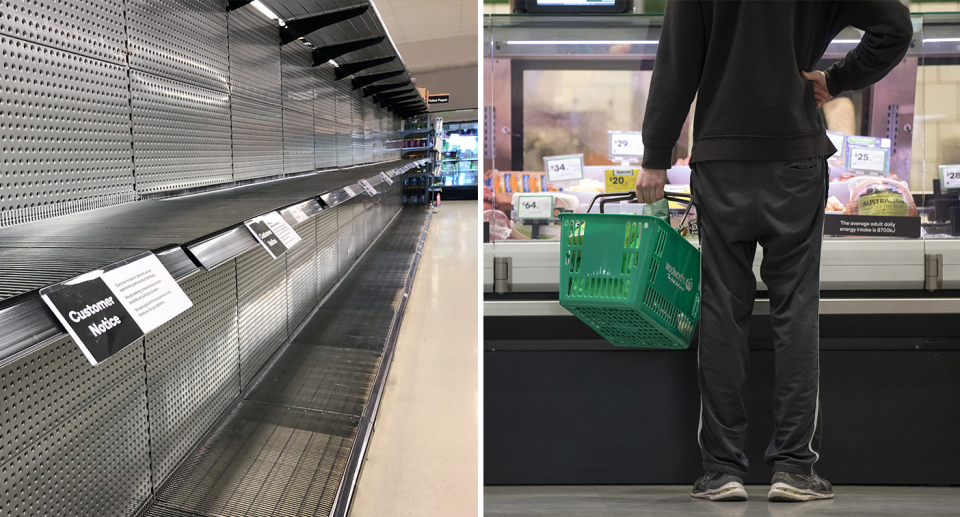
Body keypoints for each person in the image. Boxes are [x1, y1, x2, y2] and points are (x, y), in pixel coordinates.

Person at [635, 0, 913, 503]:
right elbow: (894, 28)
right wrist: (838, 78)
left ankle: (722, 470)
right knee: (796, 312)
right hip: (797, 162)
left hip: (722, 163)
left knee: (722, 311)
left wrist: (656, 155)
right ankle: (794, 469)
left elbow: (676, 61)